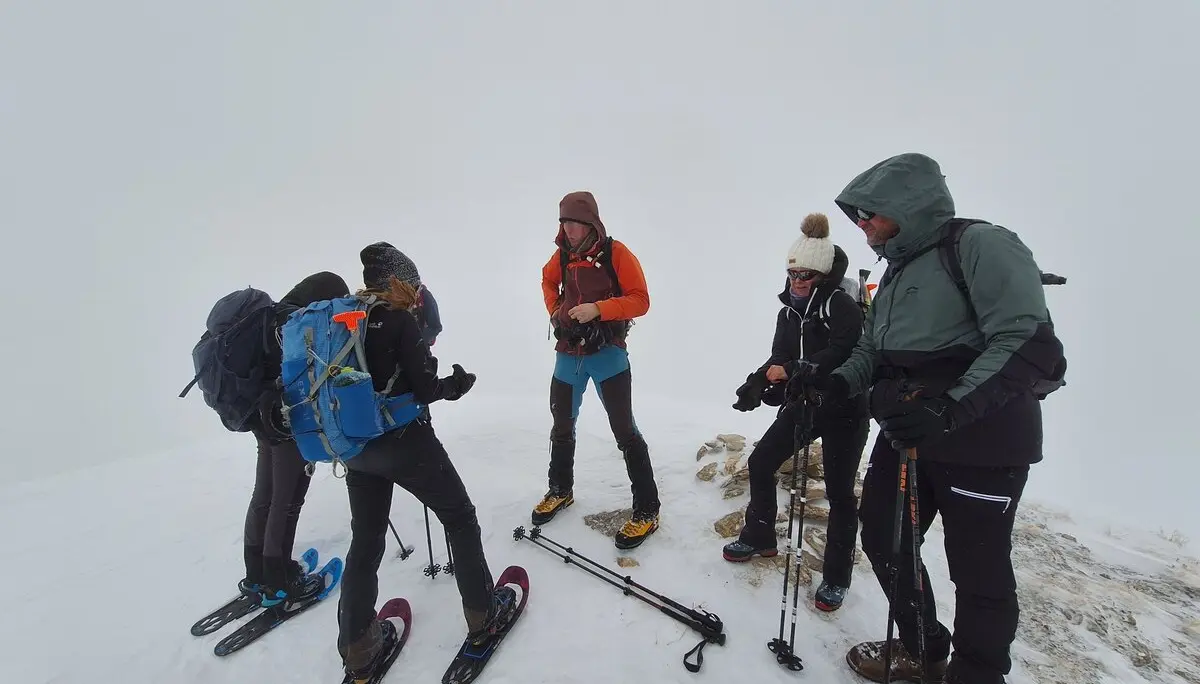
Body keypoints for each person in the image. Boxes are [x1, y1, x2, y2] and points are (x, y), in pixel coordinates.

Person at [799, 153, 1066, 684]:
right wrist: (830, 382)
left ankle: (976, 674)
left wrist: (948, 410)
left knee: (979, 572)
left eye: (870, 213)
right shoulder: (894, 271)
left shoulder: (979, 245)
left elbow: (1026, 341)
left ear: (907, 204)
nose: (863, 225)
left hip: (984, 439)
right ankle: (923, 648)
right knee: (881, 537)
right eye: (858, 216)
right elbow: (871, 353)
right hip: (909, 435)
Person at [334, 241, 518, 681]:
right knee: (459, 516)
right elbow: (424, 388)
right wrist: (456, 384)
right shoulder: (397, 320)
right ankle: (482, 616)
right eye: (412, 282)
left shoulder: (344, 319)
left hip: (357, 449)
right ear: (398, 281)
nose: (416, 291)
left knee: (366, 541)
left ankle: (359, 649)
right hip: (405, 443)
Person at [725, 213, 871, 613]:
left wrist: (794, 370)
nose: (798, 280)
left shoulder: (842, 306)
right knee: (760, 462)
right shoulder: (788, 311)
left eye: (806, 273)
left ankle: (836, 579)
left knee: (841, 494)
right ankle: (760, 536)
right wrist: (760, 379)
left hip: (845, 410)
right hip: (805, 404)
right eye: (793, 273)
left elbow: (844, 351)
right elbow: (781, 354)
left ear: (822, 274)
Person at [533, 190, 659, 549]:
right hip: (568, 353)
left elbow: (641, 300)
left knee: (624, 429)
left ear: (591, 223)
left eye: (575, 222)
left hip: (607, 354)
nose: (569, 229)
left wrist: (598, 310)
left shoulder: (616, 253)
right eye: (564, 222)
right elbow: (546, 280)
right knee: (562, 423)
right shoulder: (561, 255)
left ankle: (647, 510)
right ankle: (560, 490)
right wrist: (556, 309)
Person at [239, 271, 352, 606]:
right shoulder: (295, 323)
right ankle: (279, 581)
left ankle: (256, 573)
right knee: (286, 501)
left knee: (265, 494)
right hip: (286, 422)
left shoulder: (267, 319)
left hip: (262, 419)